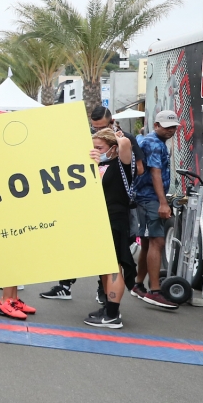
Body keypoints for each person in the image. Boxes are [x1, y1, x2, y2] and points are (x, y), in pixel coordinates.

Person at [41, 105, 145, 302]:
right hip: (91, 213)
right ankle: (74, 288)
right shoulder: (94, 149)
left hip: (113, 215)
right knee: (90, 254)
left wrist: (118, 140)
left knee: (112, 262)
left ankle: (109, 304)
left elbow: (135, 166)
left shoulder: (121, 151)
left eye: (101, 128)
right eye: (94, 128)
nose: (97, 132)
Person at [84, 129, 139, 329]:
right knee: (105, 265)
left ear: (113, 148)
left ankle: (113, 314)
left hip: (116, 219)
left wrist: (117, 136)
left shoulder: (122, 163)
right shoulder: (102, 164)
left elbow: (126, 145)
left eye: (100, 147)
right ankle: (108, 308)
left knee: (114, 265)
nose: (96, 151)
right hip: (101, 219)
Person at [126, 110, 180, 309]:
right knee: (156, 241)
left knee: (148, 242)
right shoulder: (155, 144)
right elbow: (155, 173)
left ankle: (139, 284)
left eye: (174, 127)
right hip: (150, 198)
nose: (171, 130)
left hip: (145, 197)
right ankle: (154, 291)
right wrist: (163, 203)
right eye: (167, 127)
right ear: (156, 125)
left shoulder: (149, 140)